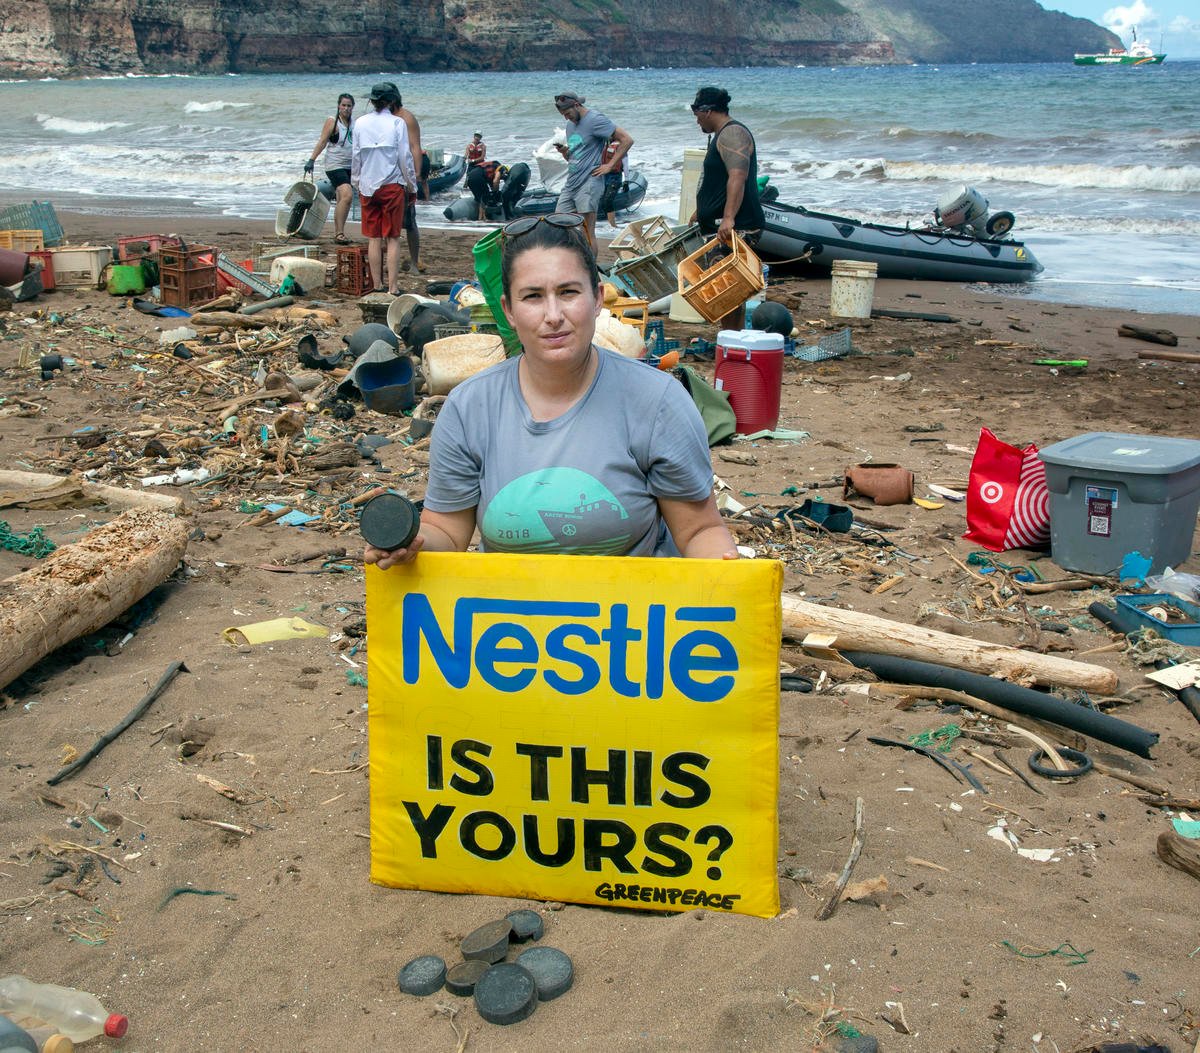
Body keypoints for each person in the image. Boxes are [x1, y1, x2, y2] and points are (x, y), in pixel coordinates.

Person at [364, 213, 737, 570]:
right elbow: (446, 530)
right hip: (510, 627)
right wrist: (410, 544)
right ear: (508, 311)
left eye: (568, 292)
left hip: (631, 624)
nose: (553, 314)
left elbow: (698, 530)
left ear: (597, 299)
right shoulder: (469, 407)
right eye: (533, 297)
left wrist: (726, 573)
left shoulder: (658, 402)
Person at [690, 85, 765, 330]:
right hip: (723, 224)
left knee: (727, 290)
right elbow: (718, 180)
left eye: (695, 111)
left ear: (708, 110)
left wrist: (728, 217)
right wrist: (701, 211)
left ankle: (731, 339)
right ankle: (733, 337)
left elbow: (737, 177)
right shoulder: (721, 134)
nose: (695, 118)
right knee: (728, 291)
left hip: (738, 225)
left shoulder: (733, 134)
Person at [351, 82, 417, 296]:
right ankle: (393, 287)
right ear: (391, 101)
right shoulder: (397, 123)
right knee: (393, 237)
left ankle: (377, 284)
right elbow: (404, 158)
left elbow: (356, 156)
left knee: (374, 237)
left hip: (368, 186)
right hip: (391, 185)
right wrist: (412, 185)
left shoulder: (360, 123)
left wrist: (356, 181)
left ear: (372, 101)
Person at [551, 91, 632, 252]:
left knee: (587, 232)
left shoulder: (595, 119)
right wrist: (565, 152)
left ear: (576, 105)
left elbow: (627, 140)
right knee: (557, 223)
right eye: (563, 115)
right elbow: (576, 156)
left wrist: (609, 166)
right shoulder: (570, 125)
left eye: (567, 113)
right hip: (571, 182)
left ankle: (591, 272)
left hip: (589, 183)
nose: (566, 118)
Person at [304, 93, 355, 244]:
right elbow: (322, 141)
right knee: (347, 195)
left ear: (353, 107)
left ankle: (339, 233)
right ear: (338, 106)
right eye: (343, 105)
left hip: (350, 166)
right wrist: (311, 160)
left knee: (342, 198)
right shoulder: (333, 122)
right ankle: (339, 233)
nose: (346, 108)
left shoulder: (354, 123)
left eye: (349, 106)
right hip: (335, 165)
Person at [394, 95, 425, 273]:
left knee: (410, 221)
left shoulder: (406, 118)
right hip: (386, 176)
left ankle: (414, 262)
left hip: (404, 175)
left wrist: (417, 173)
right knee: (388, 224)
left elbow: (415, 146)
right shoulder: (382, 117)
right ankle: (392, 262)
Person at [598, 137, 630, 228]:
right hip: (604, 176)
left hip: (615, 178)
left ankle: (613, 226)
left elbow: (626, 165)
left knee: (608, 201)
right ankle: (608, 223)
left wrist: (626, 181)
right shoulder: (604, 146)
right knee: (604, 201)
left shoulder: (620, 148)